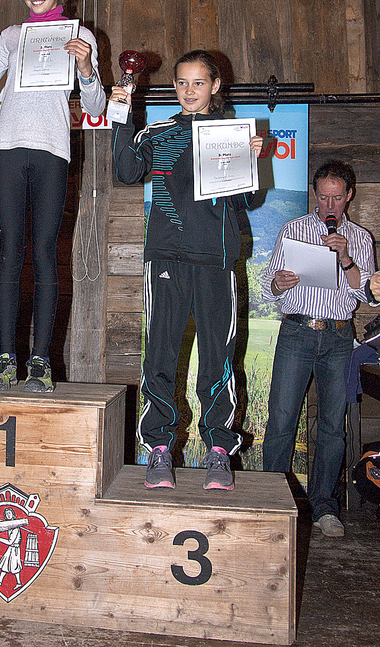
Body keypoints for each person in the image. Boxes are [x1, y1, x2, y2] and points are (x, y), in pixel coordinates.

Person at [111, 50, 263, 491]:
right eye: (181, 82)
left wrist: (251, 160)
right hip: (165, 258)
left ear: (215, 86)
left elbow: (247, 200)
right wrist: (122, 118)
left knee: (218, 360)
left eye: (198, 82)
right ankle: (159, 448)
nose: (189, 91)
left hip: (215, 260)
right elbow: (125, 172)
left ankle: (219, 451)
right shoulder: (158, 132)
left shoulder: (231, 134)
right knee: (159, 357)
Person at [0, 0, 105, 392]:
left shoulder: (80, 36)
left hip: (53, 151)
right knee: (9, 252)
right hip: (7, 148)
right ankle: (5, 358)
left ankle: (40, 360)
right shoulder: (11, 35)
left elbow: (96, 106)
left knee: (43, 252)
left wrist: (86, 70)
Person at [262, 160, 374, 537]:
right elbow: (268, 287)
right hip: (297, 332)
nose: (329, 206)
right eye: (323, 197)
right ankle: (273, 505)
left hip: (339, 338)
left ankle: (324, 505)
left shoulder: (360, 238)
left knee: (331, 427)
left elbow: (368, 295)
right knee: (282, 420)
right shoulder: (293, 230)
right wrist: (278, 283)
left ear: (349, 196)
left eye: (337, 198)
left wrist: (345, 259)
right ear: (314, 194)